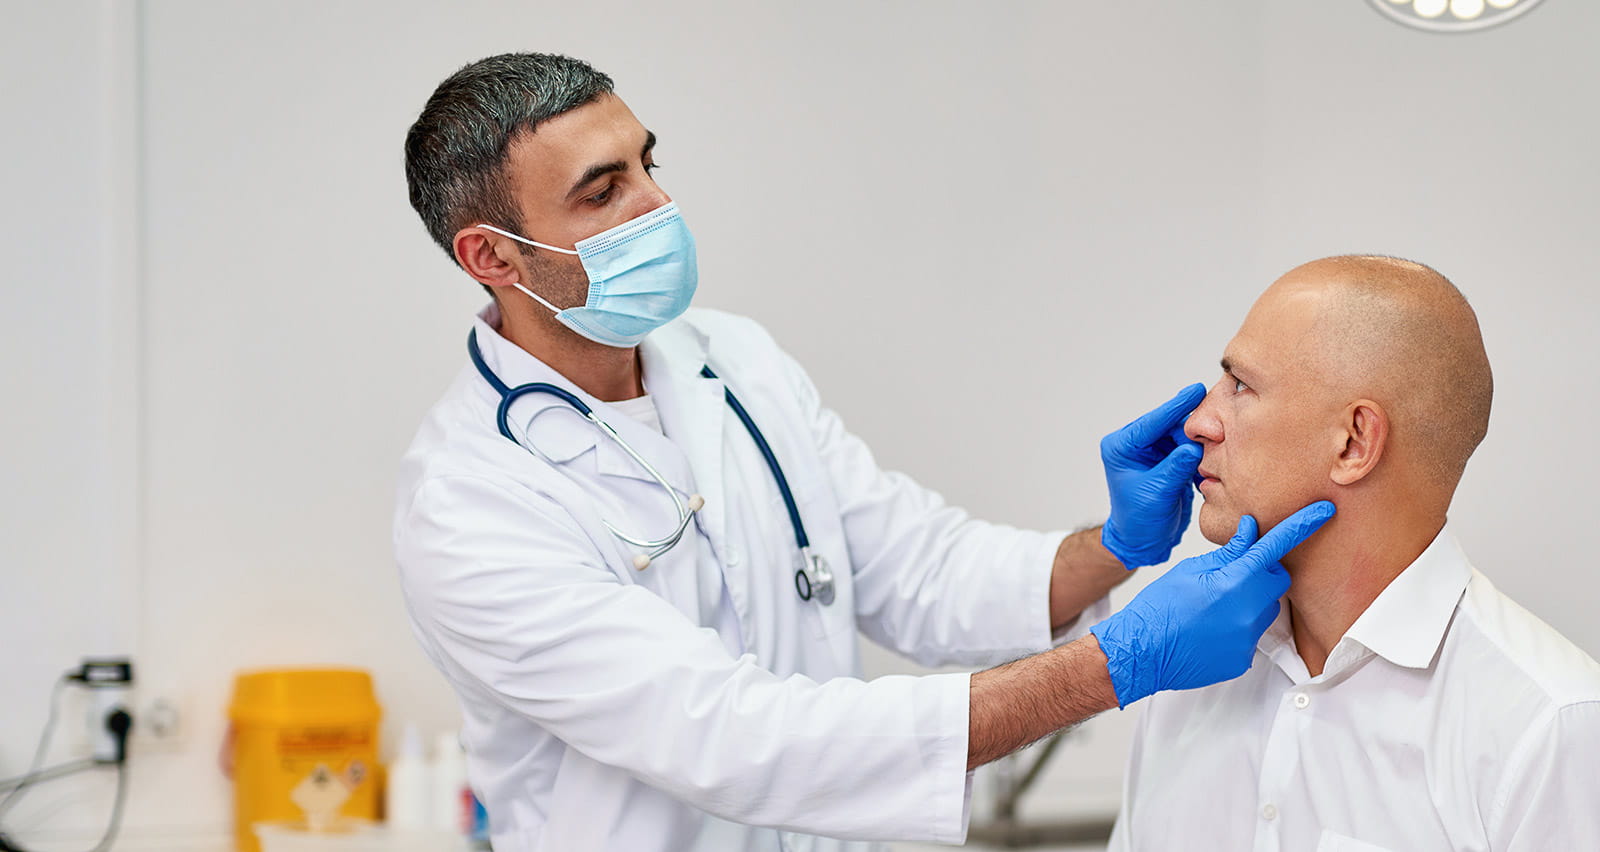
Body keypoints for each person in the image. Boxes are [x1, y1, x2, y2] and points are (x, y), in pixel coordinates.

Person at [393, 53, 1329, 852]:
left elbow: (917, 569)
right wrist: (1113, 666)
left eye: (648, 163)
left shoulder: (732, 361)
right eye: (604, 193)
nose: (659, 203)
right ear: (492, 258)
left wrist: (1114, 548)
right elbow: (738, 741)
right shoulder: (469, 506)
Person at [1107, 256, 1600, 852]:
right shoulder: (1189, 673)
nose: (1197, 423)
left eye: (1240, 385)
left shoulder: (1547, 728)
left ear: (1353, 442)